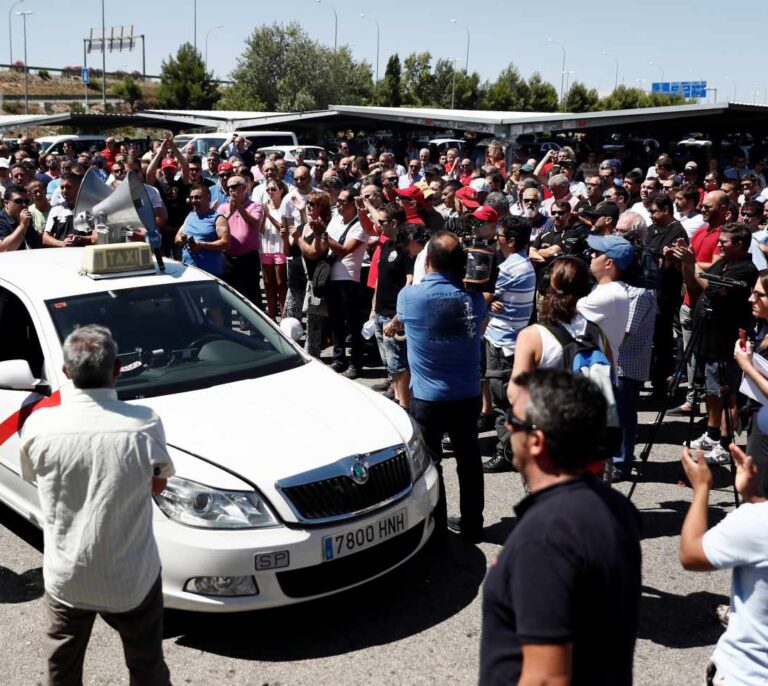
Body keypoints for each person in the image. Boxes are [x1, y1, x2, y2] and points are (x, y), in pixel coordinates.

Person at [20, 325, 174, 686]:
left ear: (65, 371)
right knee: (146, 665)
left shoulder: (40, 425)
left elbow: (33, 476)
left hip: (67, 575)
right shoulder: (144, 424)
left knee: (62, 668)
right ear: (118, 368)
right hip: (132, 576)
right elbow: (158, 484)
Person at [480, 369, 641, 686]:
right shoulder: (615, 505)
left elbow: (546, 679)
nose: (507, 428)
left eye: (513, 421)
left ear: (536, 441)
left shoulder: (544, 538)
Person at [398, 231, 487, 541]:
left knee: (431, 464)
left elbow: (400, 320)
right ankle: (473, 524)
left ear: (428, 261)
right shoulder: (474, 298)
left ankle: (436, 530)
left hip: (428, 398)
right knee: (469, 459)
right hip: (467, 393)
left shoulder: (409, 296)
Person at [679, 442, 768, 685]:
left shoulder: (757, 521)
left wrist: (701, 488)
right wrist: (754, 497)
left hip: (746, 674)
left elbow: (691, 554)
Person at [676, 223, 758, 464]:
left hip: (727, 340)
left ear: (740, 245)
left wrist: (693, 263)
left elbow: (713, 288)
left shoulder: (745, 270)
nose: (719, 245)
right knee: (711, 391)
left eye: (724, 241)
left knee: (727, 393)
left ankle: (725, 444)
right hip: (708, 337)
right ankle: (711, 434)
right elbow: (694, 281)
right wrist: (686, 263)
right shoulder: (724, 263)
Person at [482, 215, 536, 474]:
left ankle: (507, 453)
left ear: (511, 241)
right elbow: (491, 298)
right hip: (510, 339)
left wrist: (487, 300)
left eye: (500, 236)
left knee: (503, 400)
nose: (496, 239)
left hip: (503, 342)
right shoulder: (521, 263)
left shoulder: (510, 268)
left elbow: (483, 297)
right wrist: (490, 301)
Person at [326, 187, 368, 378]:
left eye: (342, 201)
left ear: (352, 204)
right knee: (335, 322)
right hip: (331, 277)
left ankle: (356, 363)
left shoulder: (360, 225)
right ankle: (339, 359)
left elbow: (344, 251)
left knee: (353, 324)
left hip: (350, 279)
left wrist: (324, 236)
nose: (338, 204)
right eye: (338, 201)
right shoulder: (335, 219)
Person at [733, 269, 768, 494]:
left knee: (758, 493)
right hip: (758, 417)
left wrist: (746, 365)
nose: (751, 299)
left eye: (759, 294)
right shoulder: (763, 327)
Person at [218, 174, 264, 309]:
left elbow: (255, 223)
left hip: (248, 258)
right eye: (229, 187)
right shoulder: (223, 208)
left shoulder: (255, 206)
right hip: (227, 258)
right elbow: (217, 228)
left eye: (235, 186)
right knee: (227, 294)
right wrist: (230, 212)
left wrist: (240, 208)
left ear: (244, 188)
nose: (231, 190)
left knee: (251, 293)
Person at [175, 184, 231, 276]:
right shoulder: (190, 216)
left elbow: (225, 243)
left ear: (208, 198)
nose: (193, 201)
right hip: (188, 271)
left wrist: (201, 245)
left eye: (197, 197)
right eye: (191, 198)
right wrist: (184, 241)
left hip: (209, 274)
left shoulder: (218, 219)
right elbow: (177, 237)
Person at [0, 184, 41, 251]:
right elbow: (3, 249)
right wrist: (23, 225)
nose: (24, 205)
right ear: (6, 203)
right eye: (19, 201)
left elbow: (36, 245)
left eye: (26, 201)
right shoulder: (1, 221)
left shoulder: (26, 217)